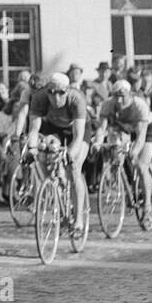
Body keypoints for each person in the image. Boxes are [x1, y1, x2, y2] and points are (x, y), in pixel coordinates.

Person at [25, 72, 89, 236]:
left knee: (73, 168)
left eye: (61, 92)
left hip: (76, 130)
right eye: (52, 92)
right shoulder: (39, 97)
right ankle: (59, 201)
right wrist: (31, 148)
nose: (56, 97)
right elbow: (33, 129)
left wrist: (70, 154)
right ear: (47, 90)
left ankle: (79, 219)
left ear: (67, 91)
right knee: (43, 155)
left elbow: (78, 136)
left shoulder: (77, 98)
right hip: (55, 129)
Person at [95, 80, 152, 216]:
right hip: (125, 130)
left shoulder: (139, 105)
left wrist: (134, 152)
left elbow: (141, 137)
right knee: (118, 155)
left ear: (130, 94)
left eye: (122, 96)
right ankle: (128, 187)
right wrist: (98, 143)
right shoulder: (108, 104)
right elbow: (102, 128)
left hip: (147, 130)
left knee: (141, 165)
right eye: (116, 96)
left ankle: (147, 205)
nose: (119, 100)